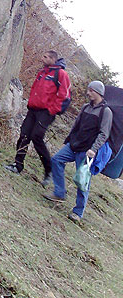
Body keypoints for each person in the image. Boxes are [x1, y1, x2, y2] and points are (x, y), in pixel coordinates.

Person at [43, 80, 113, 222]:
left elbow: (104, 134)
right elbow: (76, 124)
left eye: (91, 91)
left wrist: (93, 150)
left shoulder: (106, 111)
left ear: (98, 92)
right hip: (73, 145)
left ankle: (77, 212)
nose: (88, 93)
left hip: (87, 151)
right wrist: (69, 140)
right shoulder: (86, 107)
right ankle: (59, 192)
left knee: (82, 180)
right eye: (88, 90)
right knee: (56, 160)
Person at [5, 50, 71, 185]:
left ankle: (49, 171)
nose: (42, 58)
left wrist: (52, 110)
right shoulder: (42, 72)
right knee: (24, 135)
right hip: (33, 110)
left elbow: (65, 96)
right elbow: (35, 89)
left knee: (36, 137)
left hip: (46, 112)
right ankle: (17, 165)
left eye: (45, 57)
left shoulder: (61, 74)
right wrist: (30, 104)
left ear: (53, 59)